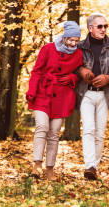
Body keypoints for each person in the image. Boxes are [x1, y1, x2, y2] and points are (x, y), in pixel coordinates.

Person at [26, 21, 83, 181]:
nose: (73, 44)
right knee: (42, 126)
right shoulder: (48, 48)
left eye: (76, 41)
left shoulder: (78, 54)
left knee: (54, 133)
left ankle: (50, 169)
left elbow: (78, 72)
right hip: (43, 93)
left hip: (62, 96)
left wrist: (72, 77)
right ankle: (37, 164)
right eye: (71, 40)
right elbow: (36, 71)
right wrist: (32, 90)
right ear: (64, 37)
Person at [75, 13, 109, 180]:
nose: (103, 29)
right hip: (85, 93)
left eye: (105, 26)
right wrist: (81, 70)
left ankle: (94, 165)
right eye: (99, 26)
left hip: (105, 94)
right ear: (90, 28)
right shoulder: (79, 47)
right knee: (88, 129)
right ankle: (90, 166)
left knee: (100, 132)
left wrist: (108, 78)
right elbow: (71, 65)